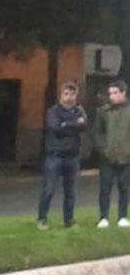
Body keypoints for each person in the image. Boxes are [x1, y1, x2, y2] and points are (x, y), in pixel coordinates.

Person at [40, 82, 88, 229]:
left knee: (70, 191)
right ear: (61, 94)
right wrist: (73, 124)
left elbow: (84, 125)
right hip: (55, 155)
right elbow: (56, 128)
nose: (69, 97)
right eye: (66, 94)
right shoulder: (53, 111)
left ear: (76, 95)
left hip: (72, 156)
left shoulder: (79, 110)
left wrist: (66, 124)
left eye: (72, 94)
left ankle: (69, 220)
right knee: (49, 189)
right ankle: (42, 218)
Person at [94, 79, 130, 228]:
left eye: (115, 93)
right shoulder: (103, 111)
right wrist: (104, 149)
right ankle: (104, 217)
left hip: (126, 157)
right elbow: (97, 133)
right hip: (107, 157)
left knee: (124, 187)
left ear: (123, 93)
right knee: (105, 188)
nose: (112, 96)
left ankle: (122, 216)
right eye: (110, 93)